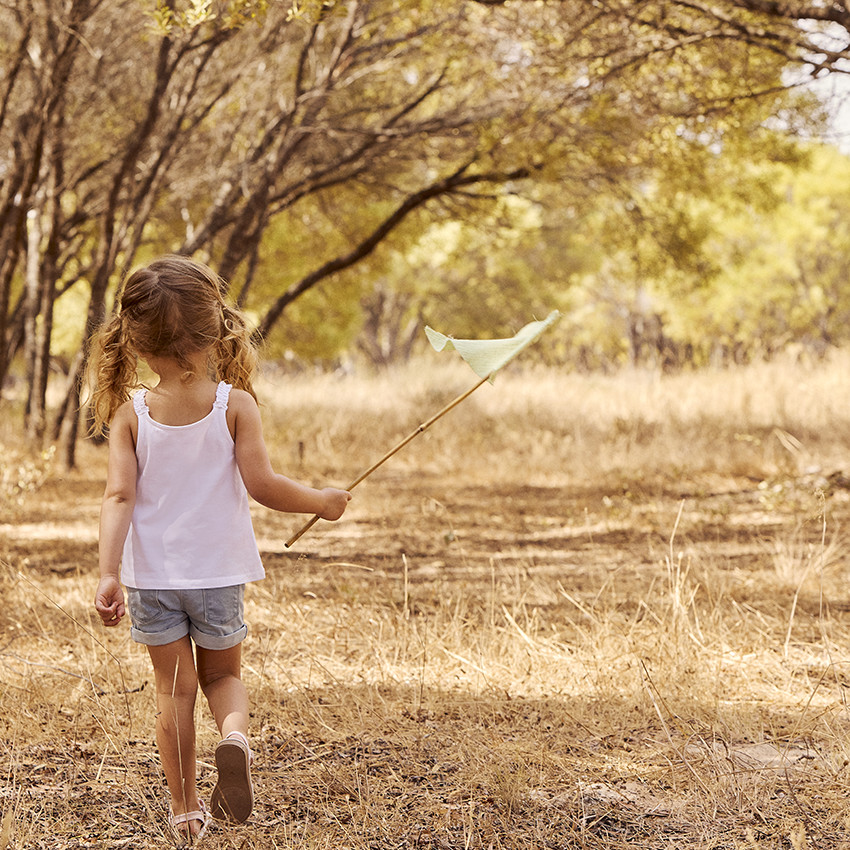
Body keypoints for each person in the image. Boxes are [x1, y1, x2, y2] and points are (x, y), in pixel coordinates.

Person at [88, 255, 351, 843]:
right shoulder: (234, 405)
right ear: (214, 330)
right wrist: (321, 501)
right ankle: (234, 740)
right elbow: (264, 486)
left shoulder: (132, 414)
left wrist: (109, 575)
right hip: (217, 576)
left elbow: (117, 496)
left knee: (174, 691)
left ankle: (184, 811)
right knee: (224, 677)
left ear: (135, 342)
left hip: (154, 579)